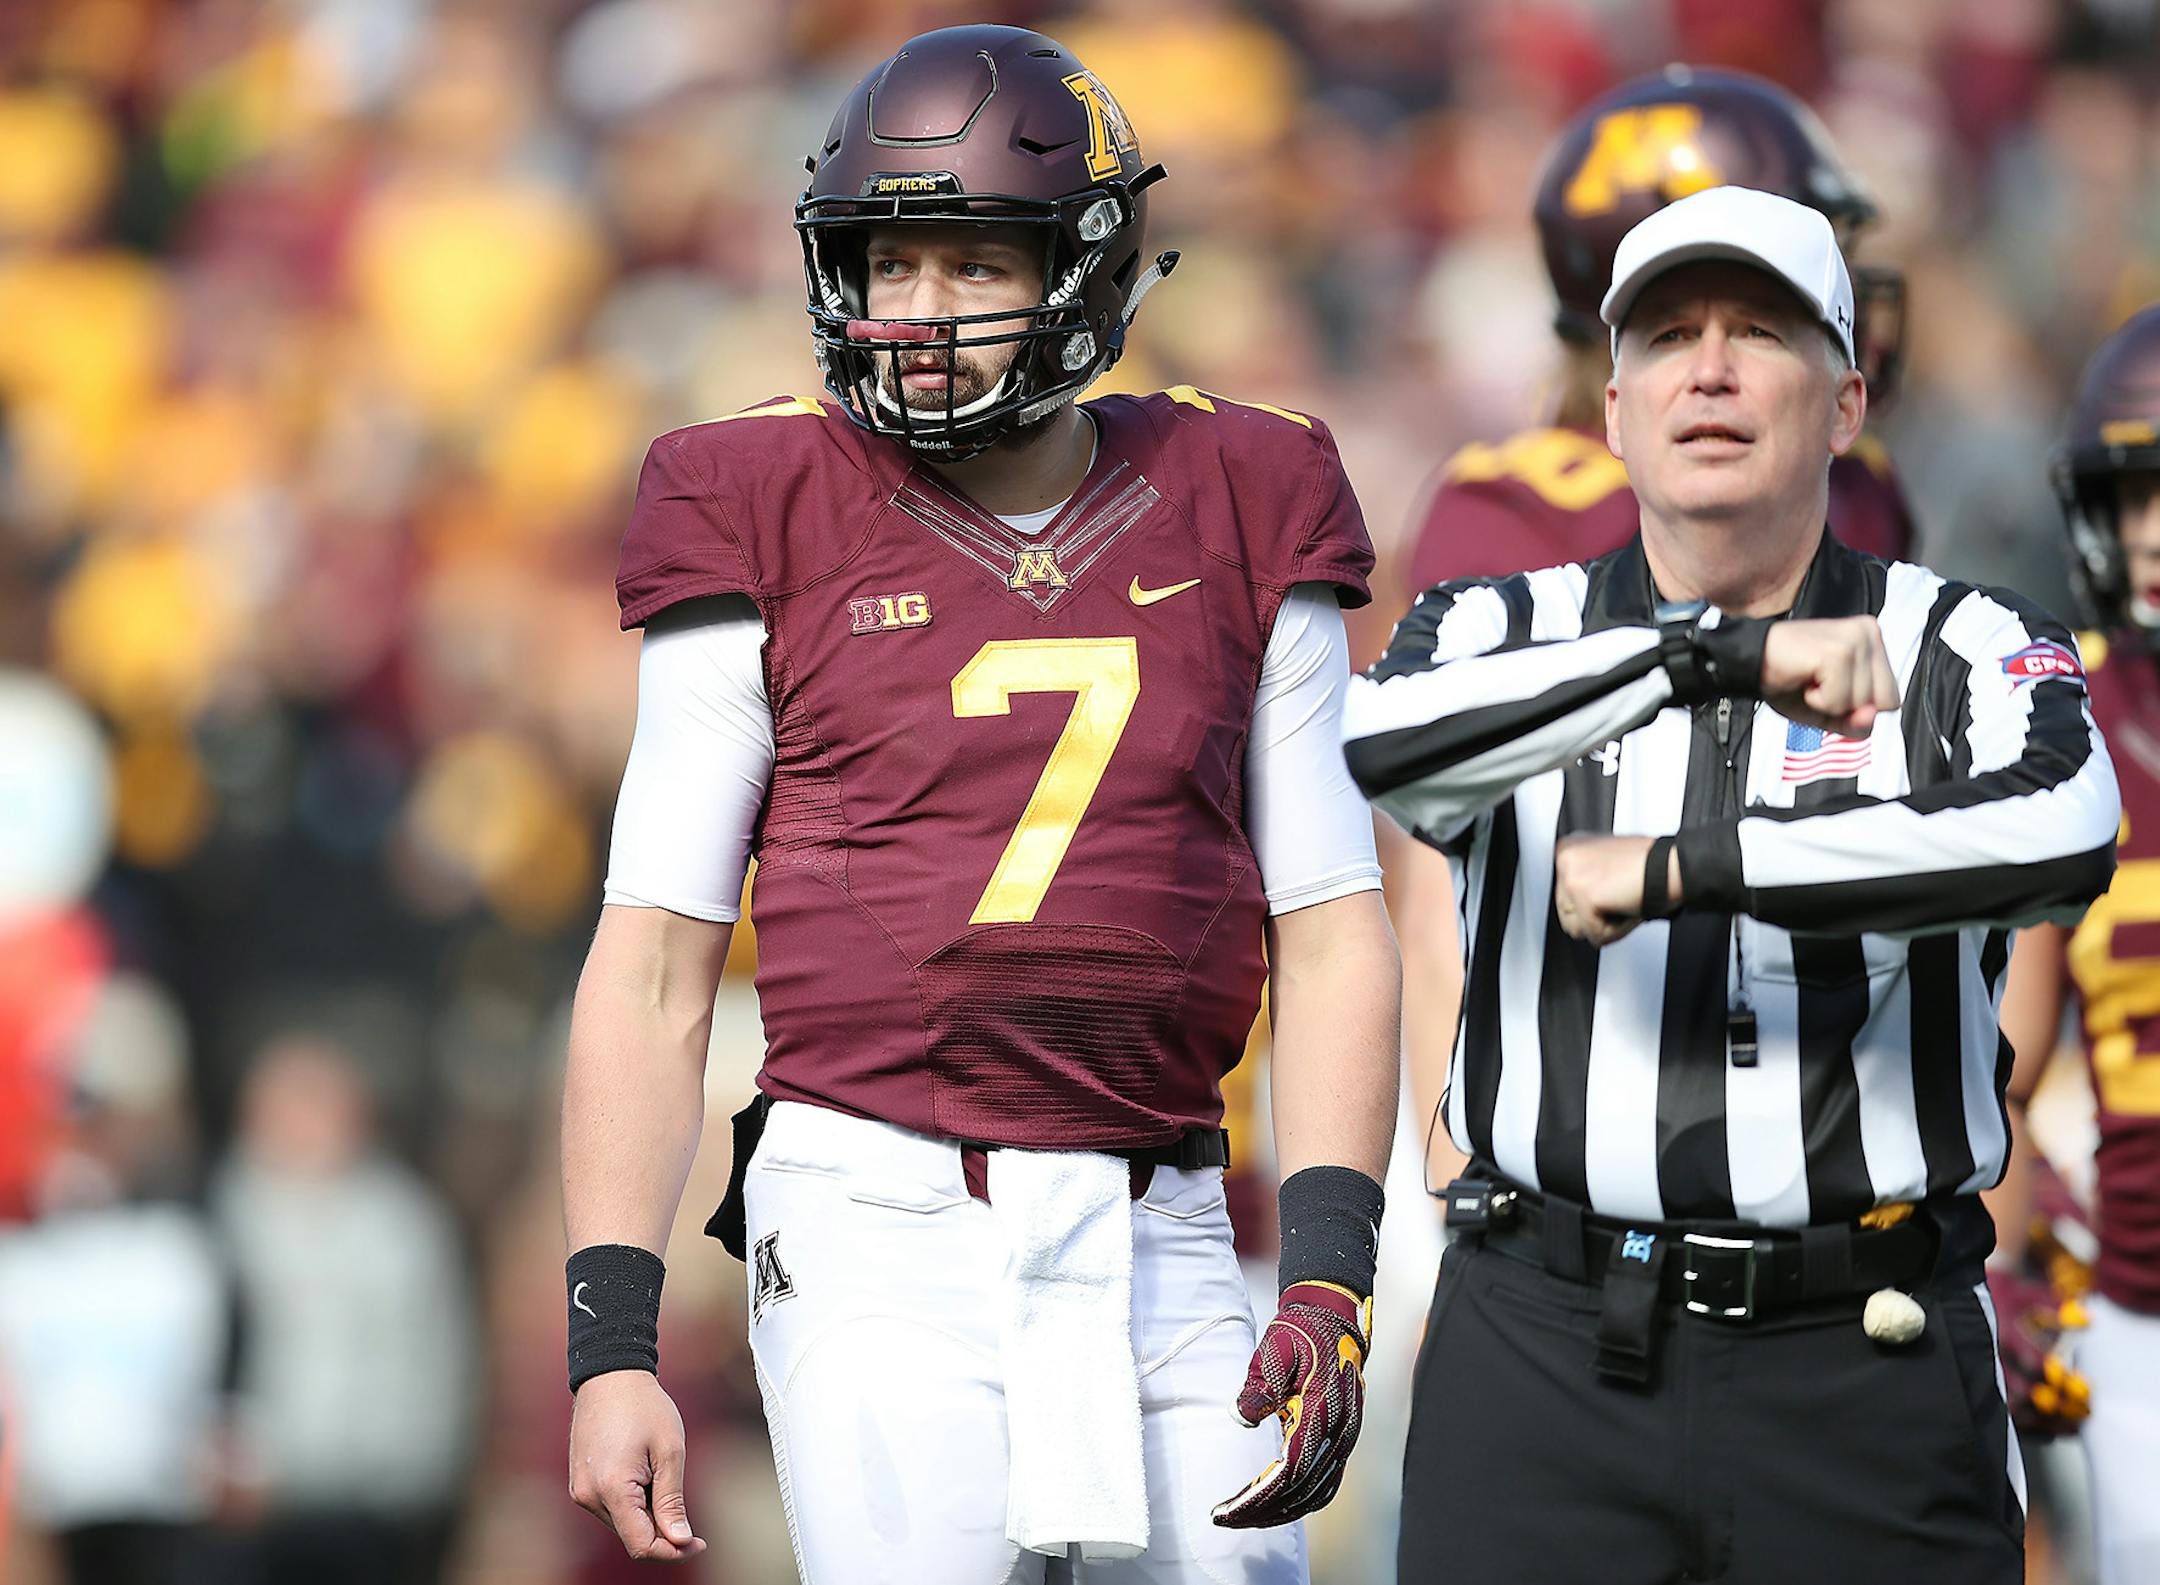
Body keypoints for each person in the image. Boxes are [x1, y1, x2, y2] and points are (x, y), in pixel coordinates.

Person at [559, 25, 1401, 1584]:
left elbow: (1334, 925)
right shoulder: (751, 496)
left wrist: (1335, 1274)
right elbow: (657, 958)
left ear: (1085, 268)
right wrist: (612, 1332)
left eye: (971, 263)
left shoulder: (1249, 490)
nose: (920, 313)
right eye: (891, 263)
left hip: (1166, 1214)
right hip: (876, 1208)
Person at [1342, 184, 2120, 1583]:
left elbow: (2063, 833)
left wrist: (1695, 868)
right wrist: (1706, 656)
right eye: (1668, 337)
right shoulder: (1491, 622)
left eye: (1759, 331)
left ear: (1844, 402)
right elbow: (1387, 749)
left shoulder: (1966, 636)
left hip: (1867, 1366)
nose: (1709, 368)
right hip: (1545, 1352)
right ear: (1613, 405)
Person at [1397, 64, 1921, 1195]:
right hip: (1584, 1047)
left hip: (1822, 1065)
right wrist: (1455, 1147)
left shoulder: (1860, 478)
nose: (1853, 288)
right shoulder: (1514, 508)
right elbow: (1439, 855)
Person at [1992, 302, 2160, 1585]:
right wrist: (2013, 1236)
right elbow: (1997, 1050)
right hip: (2132, 1303)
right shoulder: (2069, 719)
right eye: (2135, 491)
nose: (2152, 531)